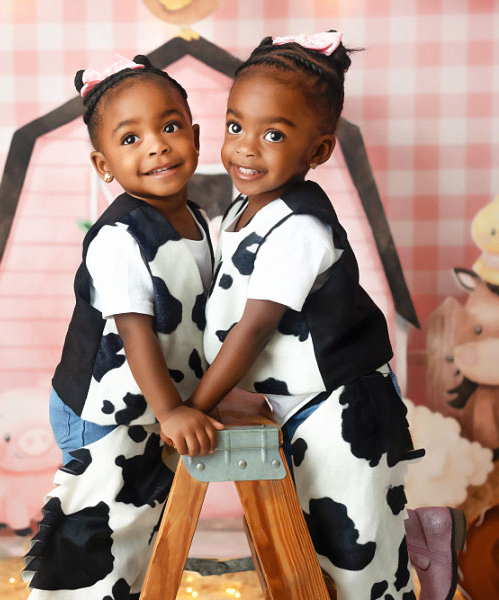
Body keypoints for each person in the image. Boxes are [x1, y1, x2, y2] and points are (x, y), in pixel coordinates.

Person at [189, 32, 428, 599]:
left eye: (273, 134)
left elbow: (253, 330)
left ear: (317, 152)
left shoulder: (299, 230)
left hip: (342, 409)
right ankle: (427, 533)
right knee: (302, 539)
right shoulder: (242, 211)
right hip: (293, 405)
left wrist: (195, 404)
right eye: (235, 126)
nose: (246, 147)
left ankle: (423, 548)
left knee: (355, 554)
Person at [23, 53, 223, 599]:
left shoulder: (201, 220)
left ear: (196, 136)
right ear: (103, 164)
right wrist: (173, 409)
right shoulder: (119, 238)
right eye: (130, 139)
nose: (156, 144)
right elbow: (136, 332)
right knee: (101, 529)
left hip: (151, 404)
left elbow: (196, 325)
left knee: (141, 522)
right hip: (104, 407)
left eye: (170, 126)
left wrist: (212, 396)